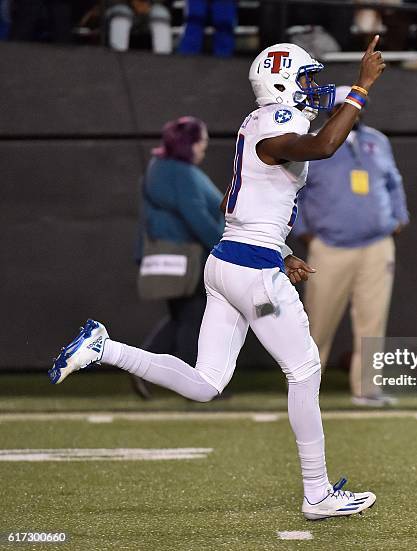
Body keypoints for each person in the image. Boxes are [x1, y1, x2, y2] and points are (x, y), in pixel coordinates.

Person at [48, 36, 386, 519]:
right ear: (282, 83)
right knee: (305, 370)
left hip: (228, 260)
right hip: (251, 271)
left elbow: (262, 194)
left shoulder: (263, 118)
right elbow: (326, 144)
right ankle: (317, 492)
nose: (311, 88)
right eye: (304, 78)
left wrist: (285, 250)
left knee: (207, 382)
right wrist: (363, 88)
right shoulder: (279, 120)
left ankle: (105, 348)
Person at [292, 85, 408, 407]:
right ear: (332, 111)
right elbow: (294, 191)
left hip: (376, 245)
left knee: (373, 321)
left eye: (356, 106)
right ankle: (305, 390)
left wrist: (399, 216)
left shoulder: (377, 141)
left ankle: (367, 390)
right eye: (344, 107)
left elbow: (393, 181)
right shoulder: (315, 143)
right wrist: (304, 232)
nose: (352, 112)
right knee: (318, 322)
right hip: (330, 246)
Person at [133, 116, 225, 399]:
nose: (204, 147)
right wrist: (225, 246)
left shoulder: (158, 168)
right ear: (189, 143)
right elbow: (197, 217)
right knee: (193, 318)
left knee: (181, 317)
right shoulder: (181, 173)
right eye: (201, 141)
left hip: (176, 255)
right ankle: (194, 386)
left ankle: (139, 367)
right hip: (189, 256)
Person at [105, 0, 172, 54]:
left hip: (149, 9)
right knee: (121, 13)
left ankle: (162, 57)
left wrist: (149, 3)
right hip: (120, 7)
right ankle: (118, 55)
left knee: (160, 14)